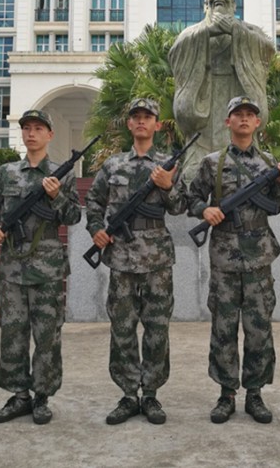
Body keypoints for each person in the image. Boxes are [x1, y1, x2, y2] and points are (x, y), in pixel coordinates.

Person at [187, 96, 280, 424]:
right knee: (223, 328)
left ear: (257, 122)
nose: (245, 119)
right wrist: (204, 209)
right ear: (228, 122)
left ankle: (255, 393)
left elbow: (277, 206)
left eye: (250, 114)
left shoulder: (268, 162)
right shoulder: (212, 163)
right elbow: (191, 197)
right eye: (238, 114)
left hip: (259, 258)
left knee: (259, 328)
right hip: (224, 258)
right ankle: (226, 393)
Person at [85, 98, 187, 426]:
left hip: (157, 257)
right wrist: (96, 230)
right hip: (121, 257)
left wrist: (167, 186)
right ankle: (129, 394)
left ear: (158, 125)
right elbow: (94, 200)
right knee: (123, 328)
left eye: (148, 117)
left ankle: (152, 394)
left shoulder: (167, 165)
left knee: (157, 328)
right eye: (136, 117)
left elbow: (180, 206)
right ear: (129, 124)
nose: (142, 122)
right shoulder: (113, 165)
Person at [0, 109, 81, 425]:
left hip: (47, 270)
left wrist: (58, 196)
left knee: (47, 335)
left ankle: (41, 396)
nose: (31, 133)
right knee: (13, 333)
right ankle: (18, 395)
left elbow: (74, 216)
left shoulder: (61, 174)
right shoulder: (5, 173)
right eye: (26, 128)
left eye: (38, 128)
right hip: (12, 268)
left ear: (50, 134)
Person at [170, 0, 275, 180]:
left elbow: (267, 49)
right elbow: (176, 52)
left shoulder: (249, 31)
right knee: (194, 175)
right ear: (205, 4)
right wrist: (207, 32)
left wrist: (236, 31)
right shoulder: (191, 33)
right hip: (204, 103)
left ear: (233, 4)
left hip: (238, 93)